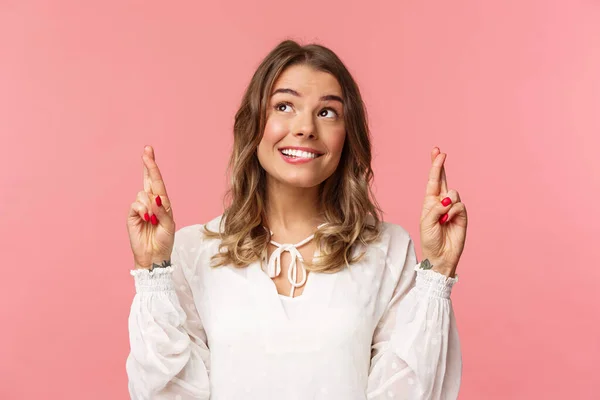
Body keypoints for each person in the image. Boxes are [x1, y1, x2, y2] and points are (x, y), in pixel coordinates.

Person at [125, 40, 468, 400]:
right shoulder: (194, 251)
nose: (305, 127)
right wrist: (152, 270)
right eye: (284, 106)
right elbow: (167, 393)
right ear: (254, 122)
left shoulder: (388, 249)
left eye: (327, 113)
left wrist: (438, 270)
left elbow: (410, 391)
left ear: (347, 135)